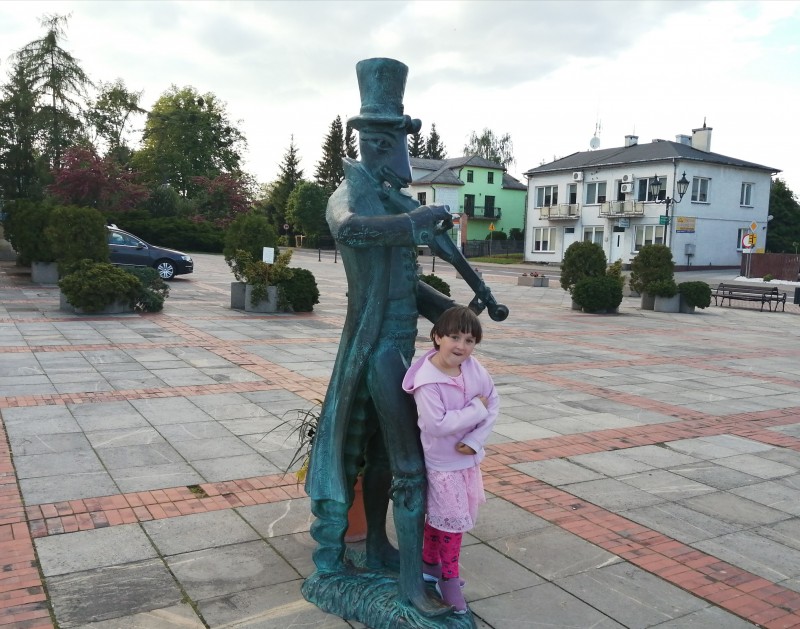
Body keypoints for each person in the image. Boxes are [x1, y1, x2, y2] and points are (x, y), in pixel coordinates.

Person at [304, 57, 460, 617]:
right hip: (376, 350)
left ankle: (375, 547)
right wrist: (414, 223)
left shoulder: (391, 201)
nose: (403, 163)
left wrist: (455, 315)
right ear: (374, 143)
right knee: (410, 464)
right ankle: (413, 588)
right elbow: (350, 231)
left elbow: (406, 286)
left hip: (401, 347)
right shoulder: (348, 197)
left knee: (380, 456)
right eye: (395, 146)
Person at [402, 306, 499, 614]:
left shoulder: (473, 368)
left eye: (469, 340)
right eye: (454, 337)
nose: (461, 346)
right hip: (442, 465)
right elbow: (436, 425)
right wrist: (475, 410)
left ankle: (430, 565)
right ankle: (449, 579)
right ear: (437, 337)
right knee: (451, 526)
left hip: (467, 460)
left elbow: (493, 402)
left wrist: (474, 440)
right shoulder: (428, 381)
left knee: (444, 519)